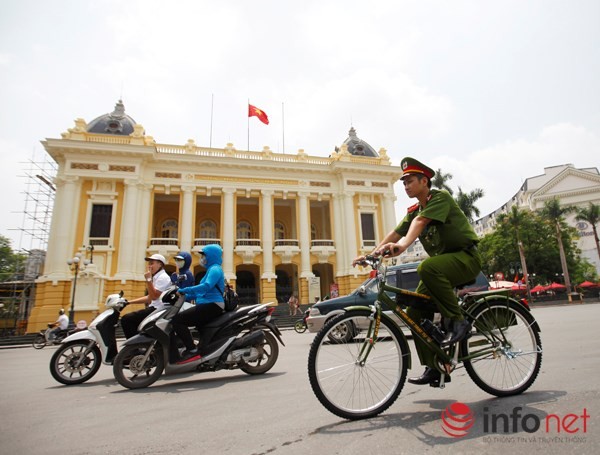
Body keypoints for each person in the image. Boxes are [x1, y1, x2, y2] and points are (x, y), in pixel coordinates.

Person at [352, 157, 482, 387]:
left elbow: (420, 223)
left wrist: (402, 247)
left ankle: (458, 321)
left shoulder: (439, 198)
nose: (406, 186)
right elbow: (396, 232)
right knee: (414, 314)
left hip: (465, 258)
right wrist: (371, 254)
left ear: (425, 181)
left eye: (410, 181)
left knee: (426, 267)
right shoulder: (415, 210)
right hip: (444, 266)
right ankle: (434, 366)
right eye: (404, 183)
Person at [173, 244, 225, 362]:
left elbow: (206, 286)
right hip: (207, 303)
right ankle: (202, 351)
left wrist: (184, 290)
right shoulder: (210, 269)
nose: (202, 258)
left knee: (177, 320)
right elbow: (200, 293)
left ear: (211, 256)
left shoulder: (215, 269)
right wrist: (186, 295)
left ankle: (191, 349)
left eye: (204, 255)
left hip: (213, 305)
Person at [121, 253, 172, 339]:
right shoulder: (157, 277)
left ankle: (134, 348)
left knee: (127, 319)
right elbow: (149, 297)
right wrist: (129, 302)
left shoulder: (163, 277)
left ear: (160, 265)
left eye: (152, 263)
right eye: (149, 264)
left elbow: (154, 296)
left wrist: (148, 280)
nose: (149, 266)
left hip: (158, 309)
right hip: (154, 308)